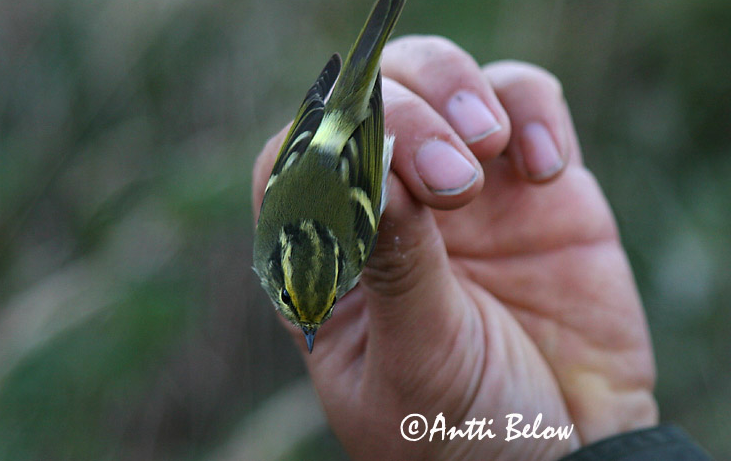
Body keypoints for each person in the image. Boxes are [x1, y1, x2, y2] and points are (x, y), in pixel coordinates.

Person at [252, 36, 711, 460]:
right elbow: (302, 157)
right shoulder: (276, 238)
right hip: (325, 135)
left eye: (324, 301)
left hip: (345, 140)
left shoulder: (342, 251)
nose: (312, 327)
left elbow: (354, 170)